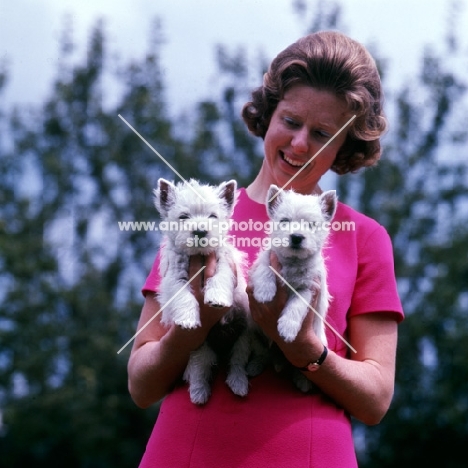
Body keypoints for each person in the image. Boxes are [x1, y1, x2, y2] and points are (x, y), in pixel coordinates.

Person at [128, 31, 404, 467]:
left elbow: (375, 400)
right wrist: (194, 326)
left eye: (323, 134)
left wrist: (304, 350)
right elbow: (141, 386)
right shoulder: (200, 216)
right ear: (267, 113)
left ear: (345, 147)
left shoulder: (364, 236)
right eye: (291, 122)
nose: (299, 144)